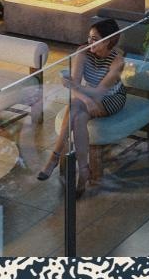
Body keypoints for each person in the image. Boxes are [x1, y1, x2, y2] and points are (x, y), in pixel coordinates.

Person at [36, 19, 127, 193]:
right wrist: (85, 99)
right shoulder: (83, 52)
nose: (89, 42)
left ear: (107, 41)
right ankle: (84, 170)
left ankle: (54, 158)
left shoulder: (118, 61)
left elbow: (99, 92)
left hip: (112, 98)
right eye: (89, 37)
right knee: (78, 116)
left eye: (94, 39)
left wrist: (76, 88)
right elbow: (76, 87)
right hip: (87, 98)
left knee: (76, 106)